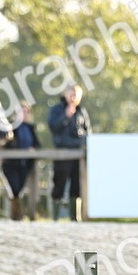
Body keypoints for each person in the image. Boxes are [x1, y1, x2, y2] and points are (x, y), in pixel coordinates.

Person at [48, 84, 90, 220]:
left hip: (78, 154)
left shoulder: (82, 111)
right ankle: (55, 217)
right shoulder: (57, 110)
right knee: (59, 183)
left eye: (76, 95)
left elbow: (88, 131)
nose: (73, 97)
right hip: (62, 152)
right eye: (71, 94)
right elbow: (53, 126)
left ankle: (74, 217)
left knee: (77, 185)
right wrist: (65, 116)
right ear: (65, 94)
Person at [2, 102, 40, 220]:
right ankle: (17, 215)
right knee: (15, 188)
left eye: (26, 111)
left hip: (25, 164)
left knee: (19, 190)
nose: (24, 114)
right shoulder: (10, 127)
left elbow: (37, 144)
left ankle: (19, 215)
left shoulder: (30, 127)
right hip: (11, 163)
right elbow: (5, 144)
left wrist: (33, 149)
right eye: (21, 111)